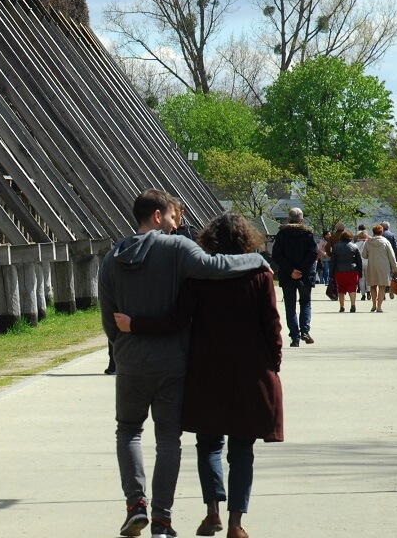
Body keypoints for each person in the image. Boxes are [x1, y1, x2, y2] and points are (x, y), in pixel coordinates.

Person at [99, 190, 268, 537]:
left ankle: (135, 505)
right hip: (172, 362)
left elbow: (108, 318)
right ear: (158, 217)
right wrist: (258, 260)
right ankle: (162, 520)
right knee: (168, 441)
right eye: (174, 217)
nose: (178, 225)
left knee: (128, 431)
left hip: (131, 360)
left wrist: (123, 347)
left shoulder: (112, 257)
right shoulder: (176, 249)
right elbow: (217, 266)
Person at [271, 208, 317, 347]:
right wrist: (301, 270)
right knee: (305, 303)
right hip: (305, 275)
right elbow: (312, 254)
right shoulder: (308, 234)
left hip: (287, 275)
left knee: (290, 306)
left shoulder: (281, 234)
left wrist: (291, 270)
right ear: (301, 220)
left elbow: (277, 255)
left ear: (288, 219)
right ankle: (305, 331)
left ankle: (295, 337)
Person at [362, 225, 397, 312]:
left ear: (373, 232)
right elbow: (392, 256)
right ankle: (379, 307)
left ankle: (373, 305)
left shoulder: (368, 242)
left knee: (373, 286)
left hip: (372, 266)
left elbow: (364, 255)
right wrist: (395, 269)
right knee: (382, 287)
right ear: (381, 232)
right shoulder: (385, 242)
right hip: (384, 267)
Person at [331, 231, 362, 312]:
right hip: (352, 270)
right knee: (352, 288)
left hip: (339, 271)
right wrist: (360, 273)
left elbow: (333, 262)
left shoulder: (335, 247)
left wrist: (331, 274)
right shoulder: (355, 246)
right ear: (350, 237)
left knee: (341, 289)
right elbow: (359, 261)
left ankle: (342, 306)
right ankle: (353, 305)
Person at [381, 223, 397, 298]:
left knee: (382, 275)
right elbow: (395, 247)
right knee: (391, 274)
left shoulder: (379, 235)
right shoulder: (392, 235)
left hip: (381, 257)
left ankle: (383, 292)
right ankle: (391, 289)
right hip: (390, 257)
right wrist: (396, 257)